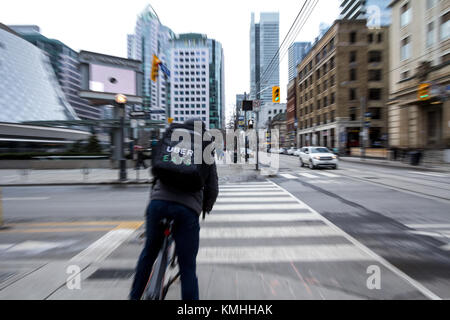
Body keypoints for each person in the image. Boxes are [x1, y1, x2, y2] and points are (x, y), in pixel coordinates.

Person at [129, 119, 219, 301]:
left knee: (148, 254)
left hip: (158, 204)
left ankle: (134, 296)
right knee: (187, 268)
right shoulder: (206, 143)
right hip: (186, 210)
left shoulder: (172, 135)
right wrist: (204, 208)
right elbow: (212, 187)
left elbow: (157, 172)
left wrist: (152, 203)